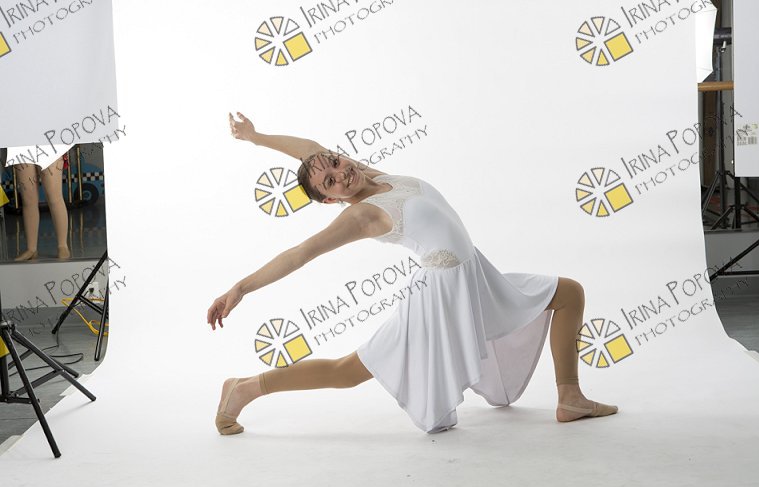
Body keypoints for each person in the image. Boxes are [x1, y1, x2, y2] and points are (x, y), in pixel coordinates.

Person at [207, 112, 618, 435]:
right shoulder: (362, 215)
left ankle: (570, 397)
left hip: (476, 279)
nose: (341, 173)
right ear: (330, 200)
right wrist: (241, 288)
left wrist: (255, 137)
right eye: (331, 182)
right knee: (347, 372)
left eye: (335, 162)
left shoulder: (368, 175)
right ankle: (244, 387)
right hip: (439, 299)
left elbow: (309, 150)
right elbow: (300, 254)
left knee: (568, 293)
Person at [5, 143, 73, 261]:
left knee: (54, 197)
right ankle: (31, 248)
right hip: (20, 142)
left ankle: (62, 245)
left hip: (48, 141)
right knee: (28, 200)